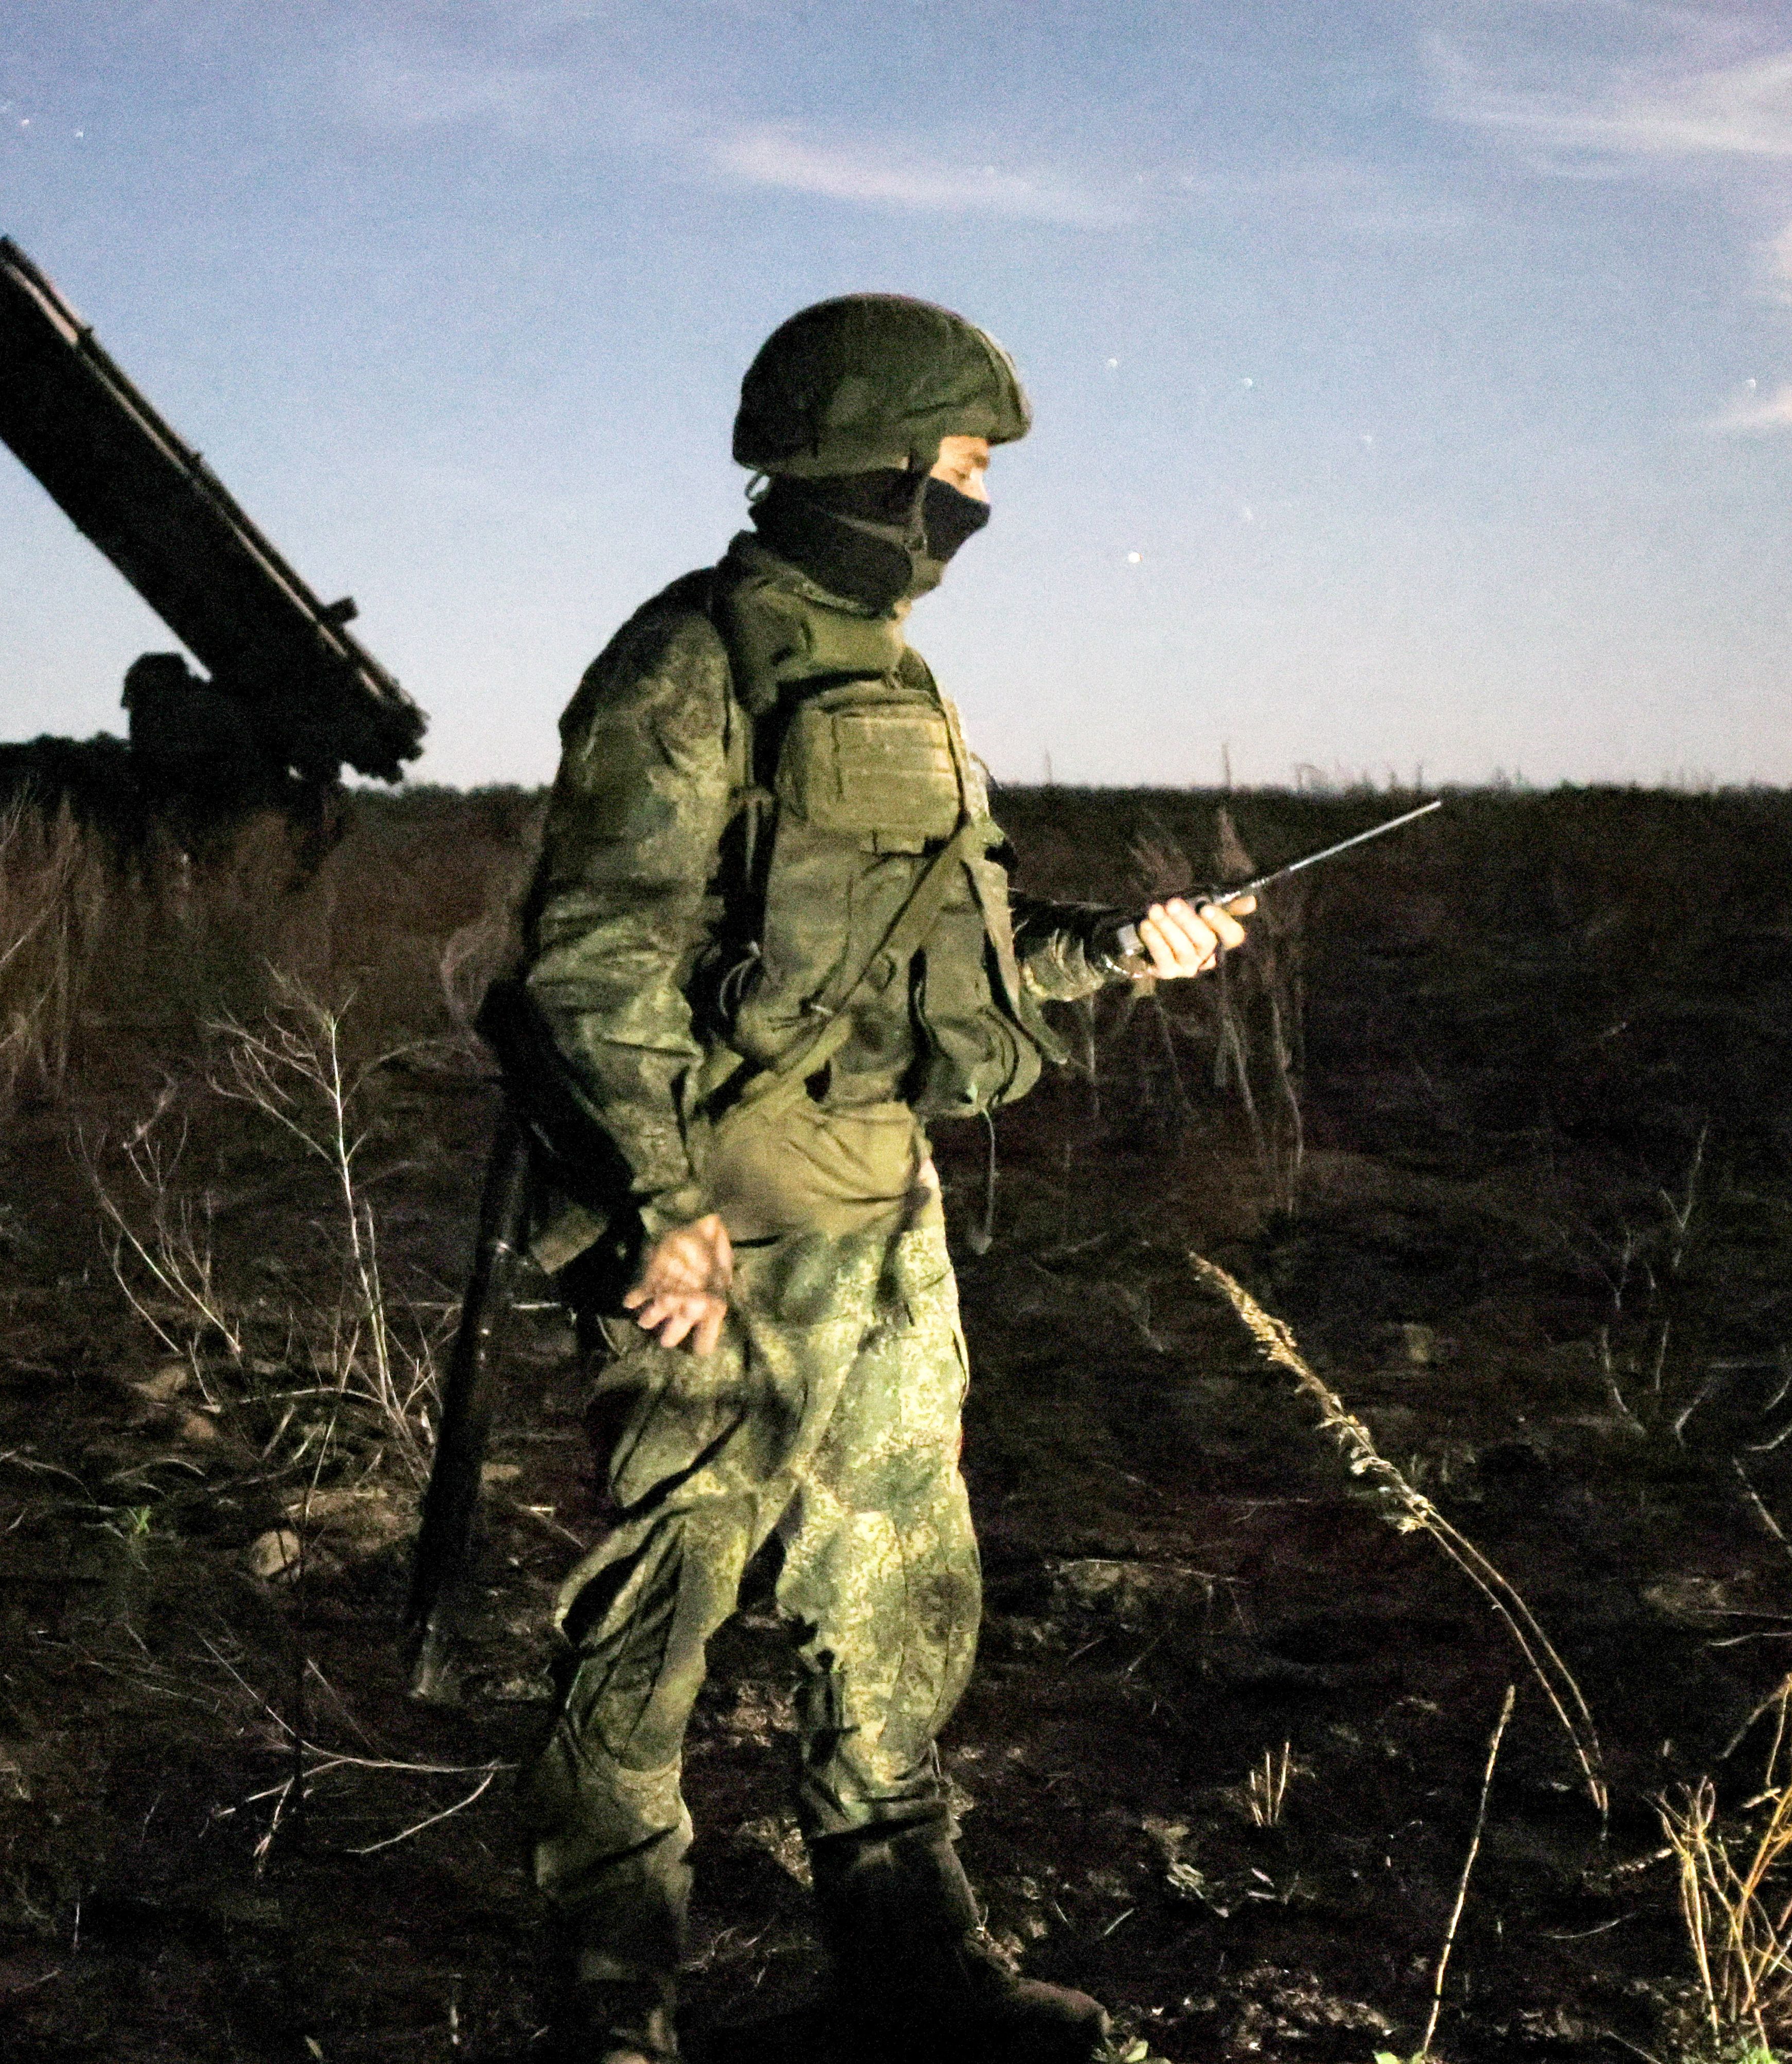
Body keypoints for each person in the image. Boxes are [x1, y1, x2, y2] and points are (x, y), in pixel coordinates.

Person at [496, 294, 1251, 2064]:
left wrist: (1125, 946)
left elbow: (951, 953)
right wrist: (663, 1201)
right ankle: (613, 2006)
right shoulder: (697, 662)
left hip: (888, 1202)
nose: (977, 508)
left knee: (902, 1585)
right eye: (964, 470)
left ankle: (911, 1958)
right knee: (662, 1605)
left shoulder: (898, 675)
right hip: (731, 1220)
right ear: (875, 466)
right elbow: (589, 964)